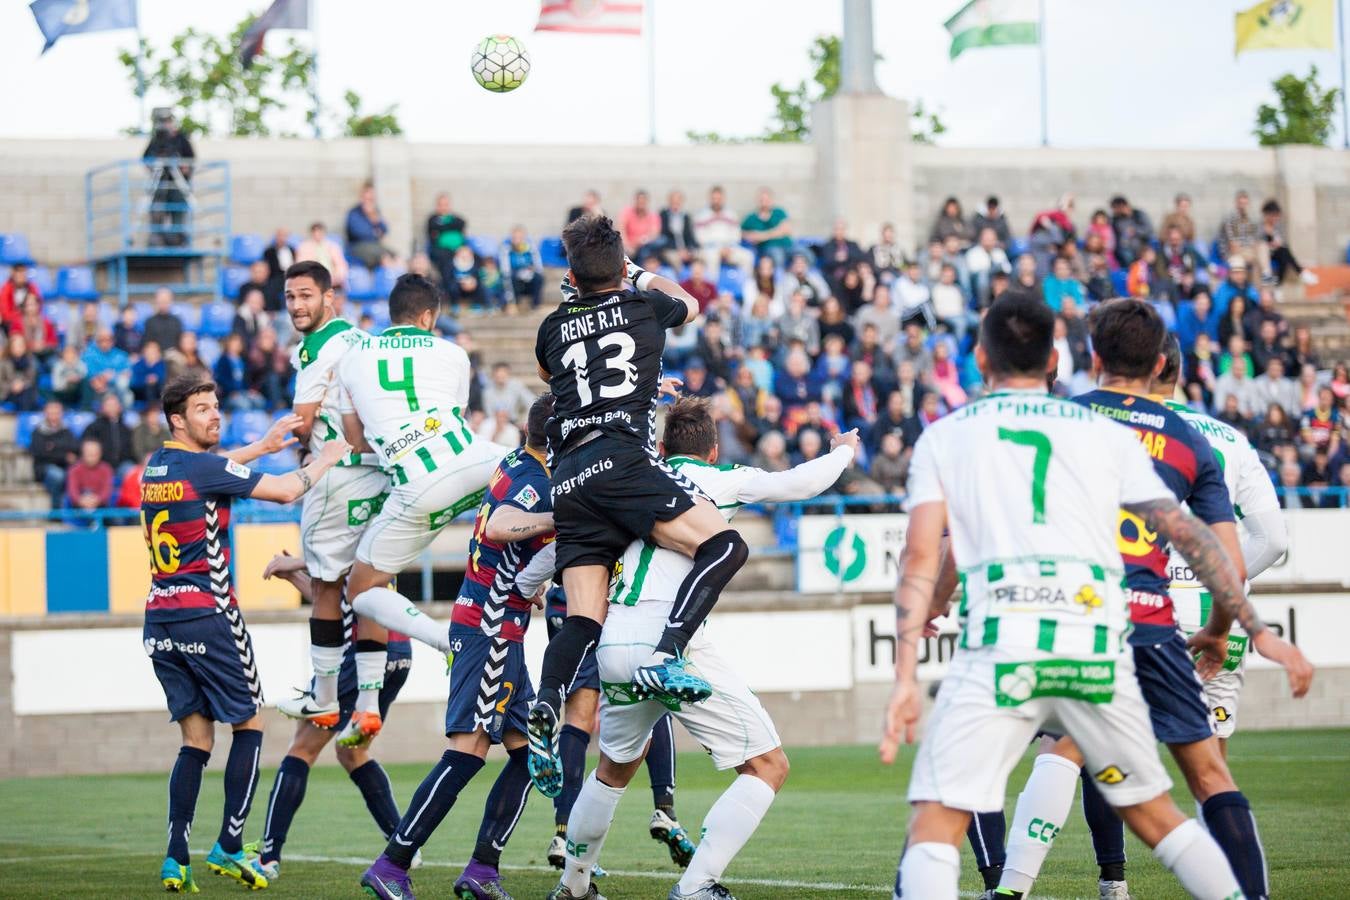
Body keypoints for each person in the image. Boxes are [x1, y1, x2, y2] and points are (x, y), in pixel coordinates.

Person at [881, 291, 1310, 900]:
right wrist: (1254, 629)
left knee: (936, 817)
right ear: (1056, 355)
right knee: (1161, 813)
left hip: (1005, 640)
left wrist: (907, 671)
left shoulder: (949, 435)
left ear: (979, 358)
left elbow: (928, 555)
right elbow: (1191, 535)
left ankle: (1011, 886)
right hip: (1100, 639)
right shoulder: (1101, 433)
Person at [548, 398, 858, 900]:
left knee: (612, 769)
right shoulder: (719, 480)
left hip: (613, 637)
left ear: (663, 447)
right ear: (712, 452)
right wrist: (843, 452)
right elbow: (797, 484)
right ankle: (697, 884)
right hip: (669, 638)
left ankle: (574, 884)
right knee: (768, 766)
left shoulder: (632, 476)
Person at [525, 215, 746, 801]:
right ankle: (669, 653)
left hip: (568, 477)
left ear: (569, 274)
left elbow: (552, 375)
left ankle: (546, 700)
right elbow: (691, 306)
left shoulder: (551, 326)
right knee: (725, 544)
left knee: (583, 617)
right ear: (621, 266)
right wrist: (637, 277)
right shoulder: (645, 309)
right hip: (622, 460)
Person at [144, 374, 350, 892]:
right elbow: (282, 492)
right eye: (202, 409)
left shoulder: (157, 467)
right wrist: (326, 458)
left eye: (216, 406)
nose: (214, 415)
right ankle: (231, 844)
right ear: (178, 420)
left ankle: (175, 858)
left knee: (195, 739)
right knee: (250, 725)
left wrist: (260, 446)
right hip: (210, 614)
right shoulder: (205, 467)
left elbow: (208, 471)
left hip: (161, 620)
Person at [358, 396, 561, 900]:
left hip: (498, 624)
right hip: (489, 630)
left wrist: (527, 580)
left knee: (529, 756)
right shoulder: (537, 483)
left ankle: (483, 869)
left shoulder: (515, 461)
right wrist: (558, 518)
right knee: (468, 751)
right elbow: (499, 526)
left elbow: (503, 541)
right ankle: (392, 863)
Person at [330, 273, 509, 746]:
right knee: (537, 475)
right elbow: (455, 417)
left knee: (362, 586)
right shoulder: (452, 353)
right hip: (475, 463)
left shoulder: (350, 359)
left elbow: (356, 438)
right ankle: (542, 577)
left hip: (419, 486)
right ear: (428, 317)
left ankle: (441, 640)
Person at [253, 262, 394, 732]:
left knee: (328, 587)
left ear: (329, 296)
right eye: (291, 297)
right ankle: (370, 706)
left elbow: (303, 421)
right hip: (379, 474)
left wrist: (300, 458)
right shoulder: (363, 340)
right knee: (372, 587)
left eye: (306, 296)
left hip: (336, 476)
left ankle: (326, 697)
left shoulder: (316, 346)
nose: (297, 306)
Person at [249, 551, 416, 881]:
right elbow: (343, 597)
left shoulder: (348, 519)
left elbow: (344, 555)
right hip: (397, 650)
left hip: (361, 651)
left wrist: (298, 561)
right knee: (352, 751)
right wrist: (296, 576)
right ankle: (403, 846)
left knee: (302, 749)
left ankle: (268, 857)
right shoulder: (384, 528)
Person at [1155, 335, 1288, 750]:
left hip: (1147, 608)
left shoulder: (1120, 428)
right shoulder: (1229, 438)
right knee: (1213, 758)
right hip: (1219, 616)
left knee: (1104, 756)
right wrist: (1220, 580)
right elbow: (1273, 541)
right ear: (1179, 370)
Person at [142, 111, 194, 246]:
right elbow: (146, 159)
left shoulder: (181, 139)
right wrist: (155, 165)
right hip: (160, 182)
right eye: (163, 122)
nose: (166, 125)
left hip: (177, 184)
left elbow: (191, 160)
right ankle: (156, 238)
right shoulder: (156, 140)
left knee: (178, 209)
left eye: (168, 121)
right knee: (157, 208)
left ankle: (178, 238)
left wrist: (183, 166)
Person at [693, 185, 753, 277]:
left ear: (723, 199)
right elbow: (699, 238)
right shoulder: (702, 215)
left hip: (729, 248)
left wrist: (728, 248)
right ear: (710, 199)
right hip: (710, 249)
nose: (716, 201)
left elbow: (736, 235)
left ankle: (746, 287)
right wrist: (718, 248)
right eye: (714, 198)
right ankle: (713, 288)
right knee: (712, 258)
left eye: (719, 198)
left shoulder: (731, 214)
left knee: (748, 256)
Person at [29, 400, 77, 508]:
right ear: (45, 413)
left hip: (65, 466)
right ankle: (56, 512)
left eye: (57, 412)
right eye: (51, 412)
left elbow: (74, 448)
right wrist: (63, 455)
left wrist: (53, 448)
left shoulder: (67, 431)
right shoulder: (38, 432)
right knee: (58, 476)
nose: (54, 415)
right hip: (43, 468)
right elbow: (40, 453)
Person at [1260, 199, 1316, 285]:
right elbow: (1258, 243)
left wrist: (1276, 243)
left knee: (1284, 253)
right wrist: (1270, 241)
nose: (1275, 218)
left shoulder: (1277, 227)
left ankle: (1279, 285)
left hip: (1276, 252)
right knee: (1284, 252)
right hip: (1264, 254)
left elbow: (1281, 241)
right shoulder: (1260, 227)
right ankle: (1300, 272)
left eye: (1277, 216)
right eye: (1273, 215)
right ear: (1267, 215)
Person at [82, 392, 137, 477]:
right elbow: (86, 445)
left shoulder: (126, 428)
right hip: (101, 464)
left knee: (132, 471)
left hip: (122, 464)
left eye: (114, 405)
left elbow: (132, 448)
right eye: (108, 405)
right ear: (102, 408)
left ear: (119, 407)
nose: (111, 408)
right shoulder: (93, 427)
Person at [1218, 190, 1270, 280]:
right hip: (1232, 253)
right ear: (1236, 203)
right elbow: (1233, 245)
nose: (1243, 206)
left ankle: (1264, 280)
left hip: (1247, 252)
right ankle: (1266, 278)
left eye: (1245, 203)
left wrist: (1252, 245)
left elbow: (1256, 238)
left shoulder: (1251, 219)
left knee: (1263, 247)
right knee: (1256, 258)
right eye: (1240, 203)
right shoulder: (1230, 219)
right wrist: (1250, 245)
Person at [740, 188, 793, 269]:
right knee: (778, 257)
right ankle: (780, 280)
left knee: (804, 254)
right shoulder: (751, 218)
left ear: (771, 200)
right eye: (762, 200)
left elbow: (787, 229)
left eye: (767, 199)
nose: (764, 202)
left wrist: (762, 236)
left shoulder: (779, 212)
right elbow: (743, 234)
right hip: (768, 249)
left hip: (788, 246)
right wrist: (777, 232)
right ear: (758, 201)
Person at [346, 182, 394, 269]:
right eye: (366, 198)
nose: (369, 201)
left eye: (371, 199)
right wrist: (375, 233)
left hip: (375, 246)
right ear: (362, 198)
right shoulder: (354, 213)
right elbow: (360, 234)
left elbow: (385, 229)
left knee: (395, 256)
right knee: (384, 258)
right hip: (358, 246)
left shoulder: (375, 213)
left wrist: (374, 219)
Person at [427, 192, 469, 288]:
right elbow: (433, 230)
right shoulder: (433, 219)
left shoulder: (456, 218)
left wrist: (443, 227)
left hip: (459, 249)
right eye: (441, 204)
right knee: (446, 263)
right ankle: (449, 288)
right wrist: (450, 226)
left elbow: (462, 223)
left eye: (446, 204)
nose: (443, 207)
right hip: (441, 251)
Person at [501, 225, 545, 309]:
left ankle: (536, 304)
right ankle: (514, 303)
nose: (518, 240)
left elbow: (538, 265)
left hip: (528, 272)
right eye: (515, 237)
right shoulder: (506, 248)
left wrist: (532, 270)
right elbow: (505, 269)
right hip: (514, 274)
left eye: (520, 237)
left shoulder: (531, 247)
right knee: (510, 277)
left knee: (539, 277)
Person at [297, 222, 349, 289]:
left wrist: (338, 276)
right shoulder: (304, 247)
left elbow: (341, 264)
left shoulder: (333, 246)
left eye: (320, 232)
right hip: (315, 281)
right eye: (315, 232)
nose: (317, 234)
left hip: (334, 280)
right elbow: (303, 266)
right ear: (311, 233)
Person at [658, 189, 699, 266]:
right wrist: (678, 251)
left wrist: (689, 250)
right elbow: (663, 237)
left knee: (699, 256)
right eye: (673, 201)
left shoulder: (686, 216)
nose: (675, 204)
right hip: (670, 249)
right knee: (675, 259)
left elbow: (690, 236)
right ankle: (678, 278)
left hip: (685, 249)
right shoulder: (663, 215)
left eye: (678, 201)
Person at [619, 189, 662, 260]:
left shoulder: (653, 216)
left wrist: (640, 241)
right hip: (628, 247)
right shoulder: (626, 212)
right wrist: (627, 246)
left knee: (656, 244)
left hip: (644, 246)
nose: (641, 203)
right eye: (639, 201)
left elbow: (654, 234)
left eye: (643, 201)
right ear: (635, 201)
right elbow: (621, 230)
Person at [144, 287, 184, 356]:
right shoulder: (150, 321)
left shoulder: (177, 321)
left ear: (171, 301)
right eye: (161, 300)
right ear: (156, 300)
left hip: (174, 356)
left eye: (166, 300)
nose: (164, 302)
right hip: (156, 356)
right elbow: (148, 343)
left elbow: (180, 342)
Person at [261, 228, 295, 309]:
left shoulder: (292, 249)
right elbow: (267, 267)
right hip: (275, 276)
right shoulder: (269, 251)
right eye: (280, 236)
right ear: (276, 237)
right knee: (270, 289)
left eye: (284, 236)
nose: (282, 238)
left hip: (291, 276)